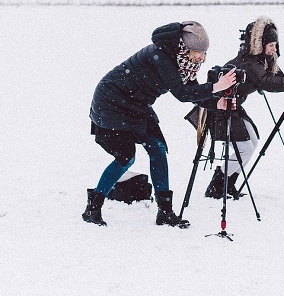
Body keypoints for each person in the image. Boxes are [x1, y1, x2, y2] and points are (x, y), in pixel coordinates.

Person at [83, 21, 236, 228]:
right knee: (125, 157)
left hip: (136, 103)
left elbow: (191, 89)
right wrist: (216, 86)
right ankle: (93, 208)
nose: (202, 57)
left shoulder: (183, 61)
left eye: (204, 53)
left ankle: (165, 212)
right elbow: (181, 94)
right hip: (111, 101)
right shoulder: (162, 56)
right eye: (198, 52)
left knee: (157, 149)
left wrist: (216, 102)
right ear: (185, 47)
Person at [203, 16, 284, 199]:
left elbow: (277, 78)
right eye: (270, 45)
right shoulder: (249, 62)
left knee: (252, 142)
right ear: (259, 44)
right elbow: (268, 83)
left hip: (233, 105)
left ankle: (228, 182)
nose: (274, 49)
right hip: (219, 108)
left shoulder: (262, 59)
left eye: (275, 44)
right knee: (246, 147)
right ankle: (217, 185)